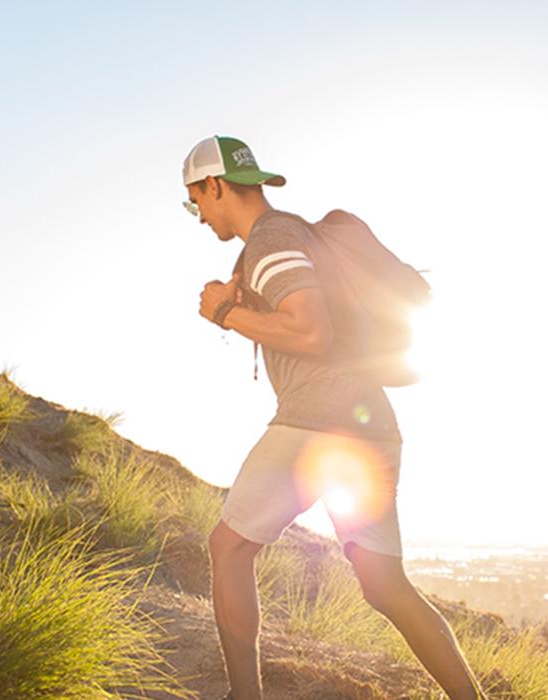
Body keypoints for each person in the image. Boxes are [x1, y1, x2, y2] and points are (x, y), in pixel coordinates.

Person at [180, 135, 482, 700]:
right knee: (385, 584)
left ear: (214, 185)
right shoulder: (292, 237)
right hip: (371, 427)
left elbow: (310, 330)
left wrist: (226, 311)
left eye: (194, 198)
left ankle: (245, 697)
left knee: (229, 547)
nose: (197, 215)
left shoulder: (272, 240)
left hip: (315, 425)